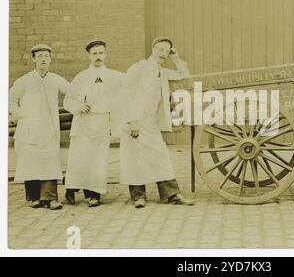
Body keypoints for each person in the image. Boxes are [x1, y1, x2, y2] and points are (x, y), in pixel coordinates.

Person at [119, 37, 194, 208]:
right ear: (153, 49)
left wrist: (176, 59)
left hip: (150, 122)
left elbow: (184, 75)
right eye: (160, 49)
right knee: (135, 158)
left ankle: (171, 194)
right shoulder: (138, 68)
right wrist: (133, 120)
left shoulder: (161, 71)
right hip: (135, 120)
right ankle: (138, 196)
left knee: (160, 156)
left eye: (167, 51)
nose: (163, 54)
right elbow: (127, 95)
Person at [63, 40, 123, 207]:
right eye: (94, 54)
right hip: (84, 123)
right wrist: (79, 106)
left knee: (98, 160)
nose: (98, 57)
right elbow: (69, 100)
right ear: (89, 56)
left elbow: (129, 86)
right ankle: (71, 188)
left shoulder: (114, 76)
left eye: (101, 53)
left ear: (105, 54)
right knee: (80, 158)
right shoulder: (81, 77)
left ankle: (94, 195)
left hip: (102, 122)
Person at [9, 44, 69, 210]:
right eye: (40, 56)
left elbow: (71, 91)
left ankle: (50, 199)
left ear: (50, 59)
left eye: (46, 56)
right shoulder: (25, 80)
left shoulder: (55, 79)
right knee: (31, 160)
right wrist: (19, 113)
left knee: (50, 160)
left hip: (49, 128)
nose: (43, 59)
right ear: (34, 59)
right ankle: (33, 197)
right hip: (30, 128)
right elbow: (10, 99)